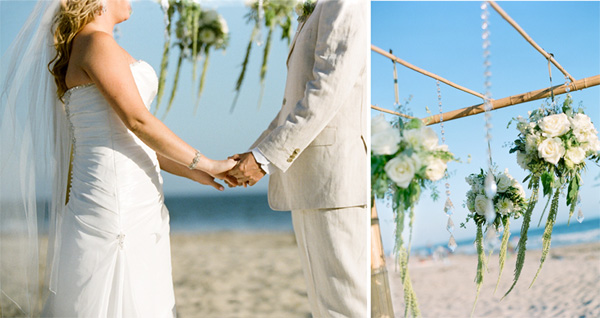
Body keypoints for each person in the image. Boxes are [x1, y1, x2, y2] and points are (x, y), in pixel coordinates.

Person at [0, 0, 235, 316]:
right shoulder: (95, 43)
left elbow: (133, 135)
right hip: (116, 201)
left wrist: (193, 172)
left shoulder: (94, 44)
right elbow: (138, 121)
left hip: (135, 197)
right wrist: (208, 162)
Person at [227, 0, 369, 316]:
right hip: (311, 181)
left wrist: (264, 159)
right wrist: (255, 153)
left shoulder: (345, 3)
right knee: (325, 307)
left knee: (345, 306)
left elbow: (327, 89)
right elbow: (294, 104)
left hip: (336, 183)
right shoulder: (319, 7)